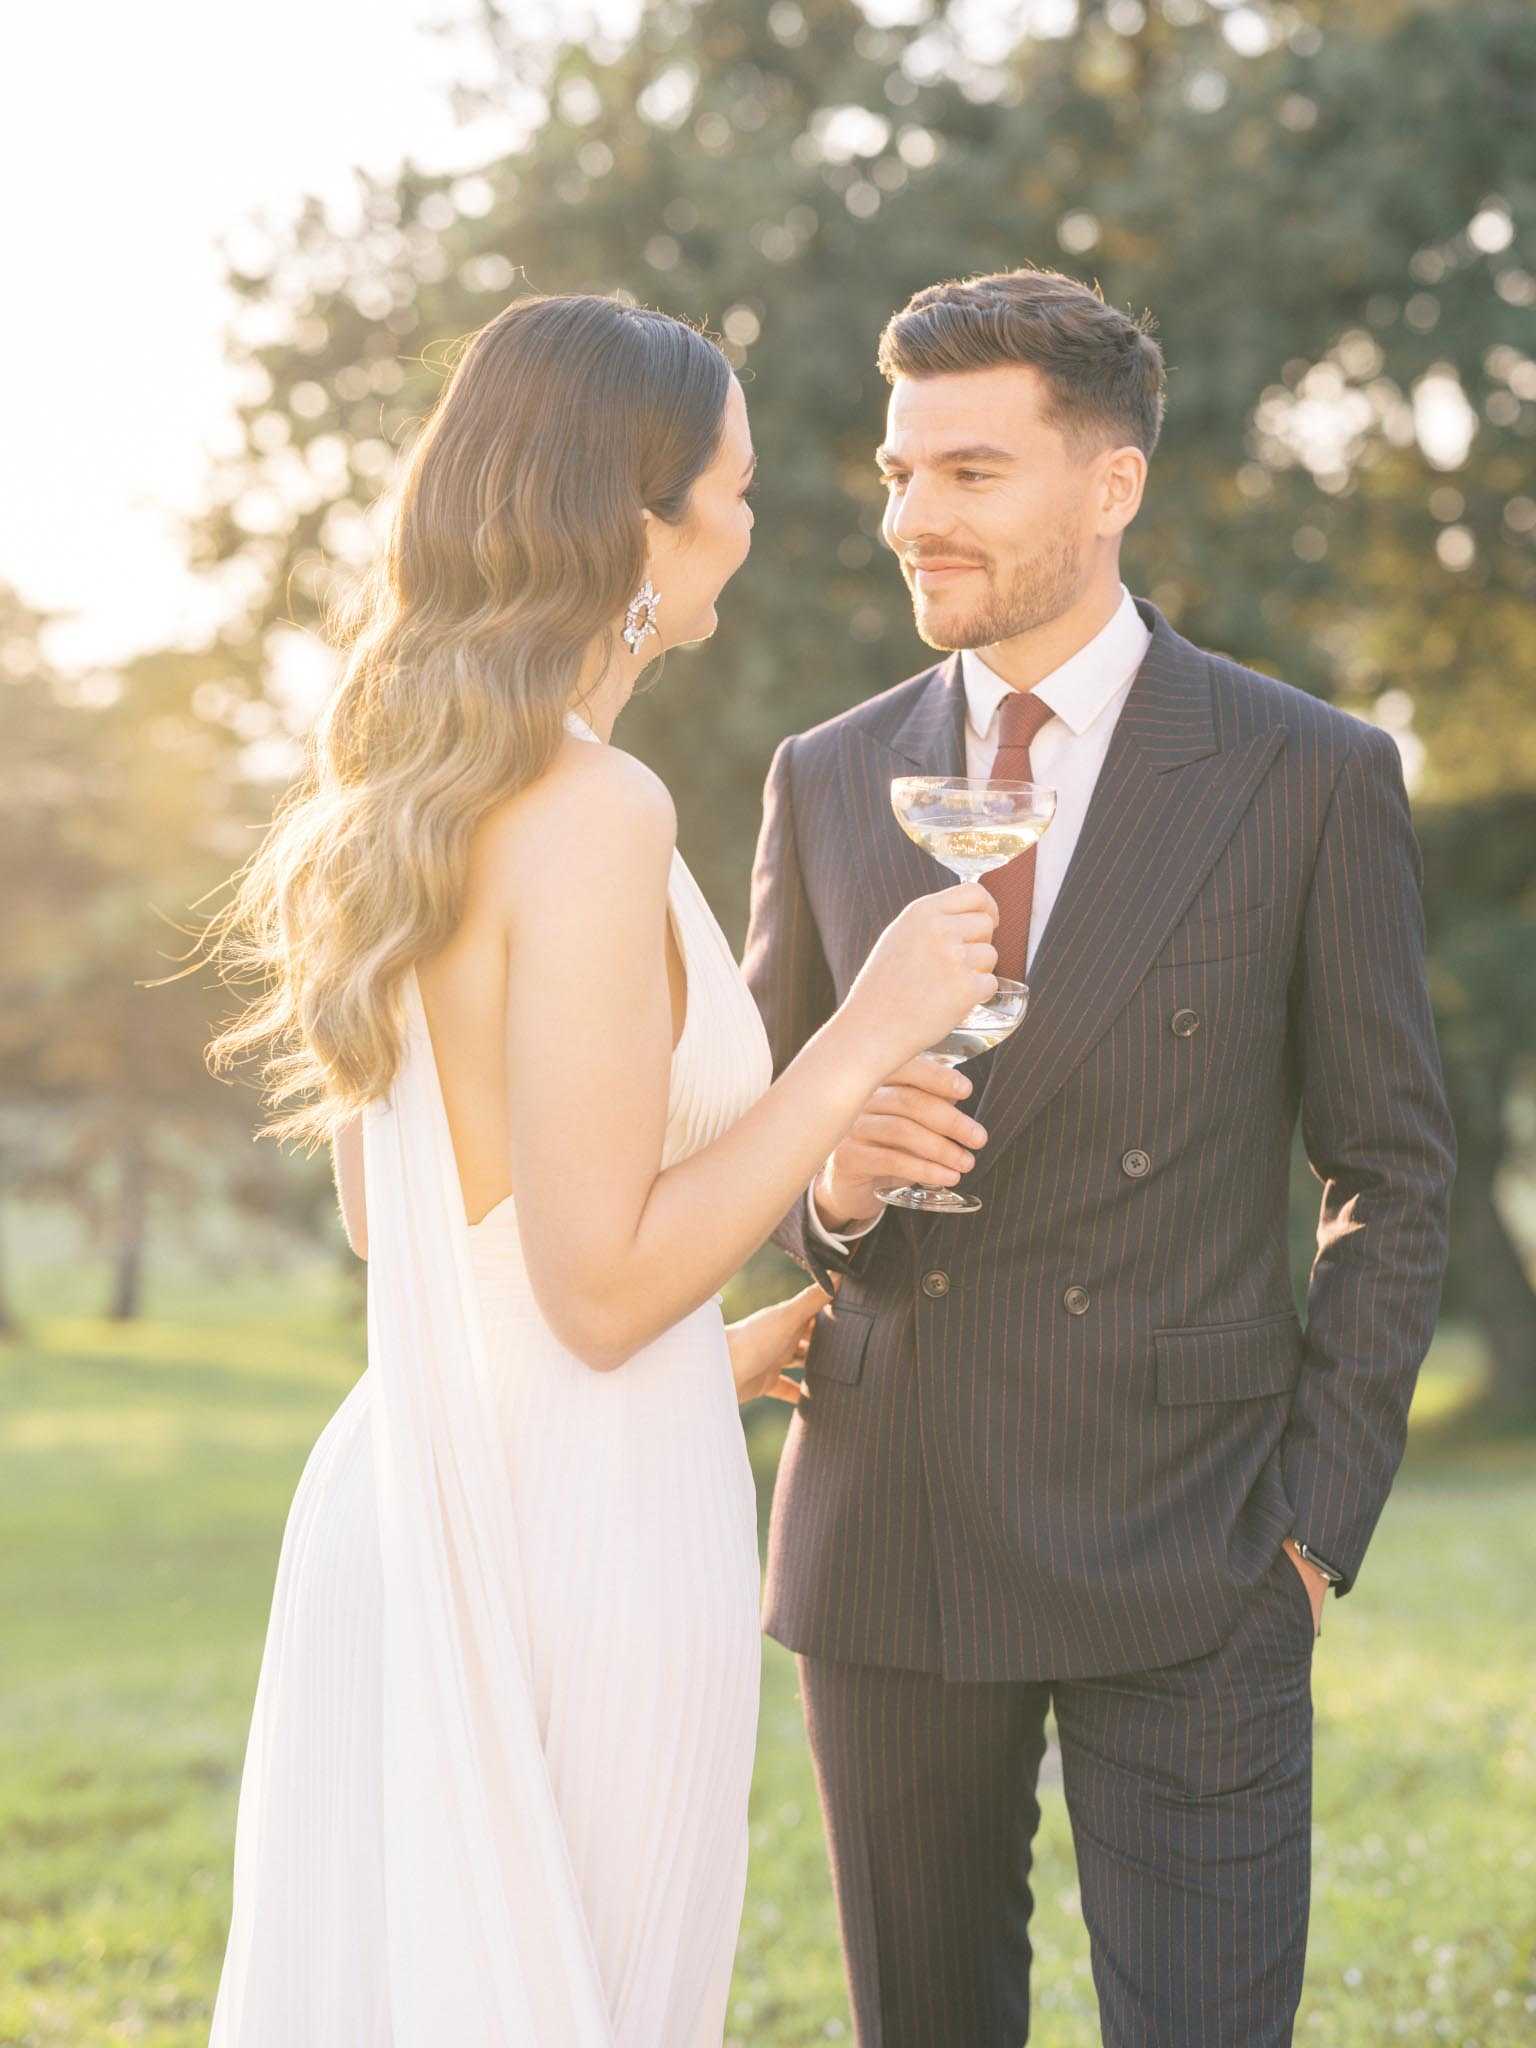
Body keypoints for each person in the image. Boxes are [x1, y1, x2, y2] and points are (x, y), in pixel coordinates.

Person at [198, 291, 999, 2047]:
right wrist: (859, 1040)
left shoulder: (406, 792)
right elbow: (598, 1281)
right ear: (635, 524)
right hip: (578, 1560)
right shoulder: (589, 811)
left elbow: (414, 1230)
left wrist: (716, 1362)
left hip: (415, 1499)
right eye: (733, 487)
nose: (754, 520)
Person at [742, 265, 1456, 2047]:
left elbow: (1392, 1168)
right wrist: (829, 1192)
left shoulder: (1306, 772)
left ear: (1112, 483)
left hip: (1196, 1538)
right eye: (900, 472)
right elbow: (750, 1152)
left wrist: (1311, 1522)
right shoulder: (825, 778)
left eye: (970, 473)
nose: (914, 515)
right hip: (896, 1521)